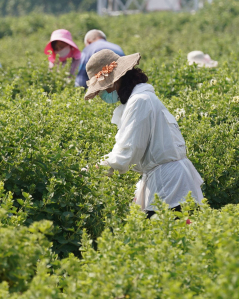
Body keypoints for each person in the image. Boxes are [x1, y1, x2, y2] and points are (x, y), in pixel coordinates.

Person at [84, 49, 203, 218]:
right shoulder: (142, 98)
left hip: (168, 185)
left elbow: (126, 153)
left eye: (102, 89)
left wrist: (92, 170)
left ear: (114, 82)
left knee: (170, 238)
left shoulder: (139, 102)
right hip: (168, 180)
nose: (102, 95)